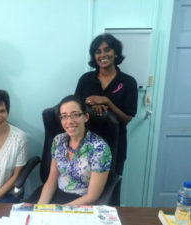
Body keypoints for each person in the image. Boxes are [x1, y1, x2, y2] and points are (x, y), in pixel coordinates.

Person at [75, 33, 138, 176]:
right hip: (86, 143)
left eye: (107, 49)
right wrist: (90, 104)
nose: (103, 54)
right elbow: (75, 108)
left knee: (112, 191)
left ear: (115, 52)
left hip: (115, 145)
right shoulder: (86, 79)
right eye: (98, 51)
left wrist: (107, 102)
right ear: (94, 56)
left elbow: (126, 119)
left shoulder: (128, 82)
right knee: (84, 189)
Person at [37, 95, 111, 205]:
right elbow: (51, 181)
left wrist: (60, 211)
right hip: (58, 194)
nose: (69, 121)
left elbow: (92, 196)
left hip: (83, 202)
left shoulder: (99, 149)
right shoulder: (58, 140)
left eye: (75, 115)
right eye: (64, 116)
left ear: (85, 117)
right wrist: (40, 208)